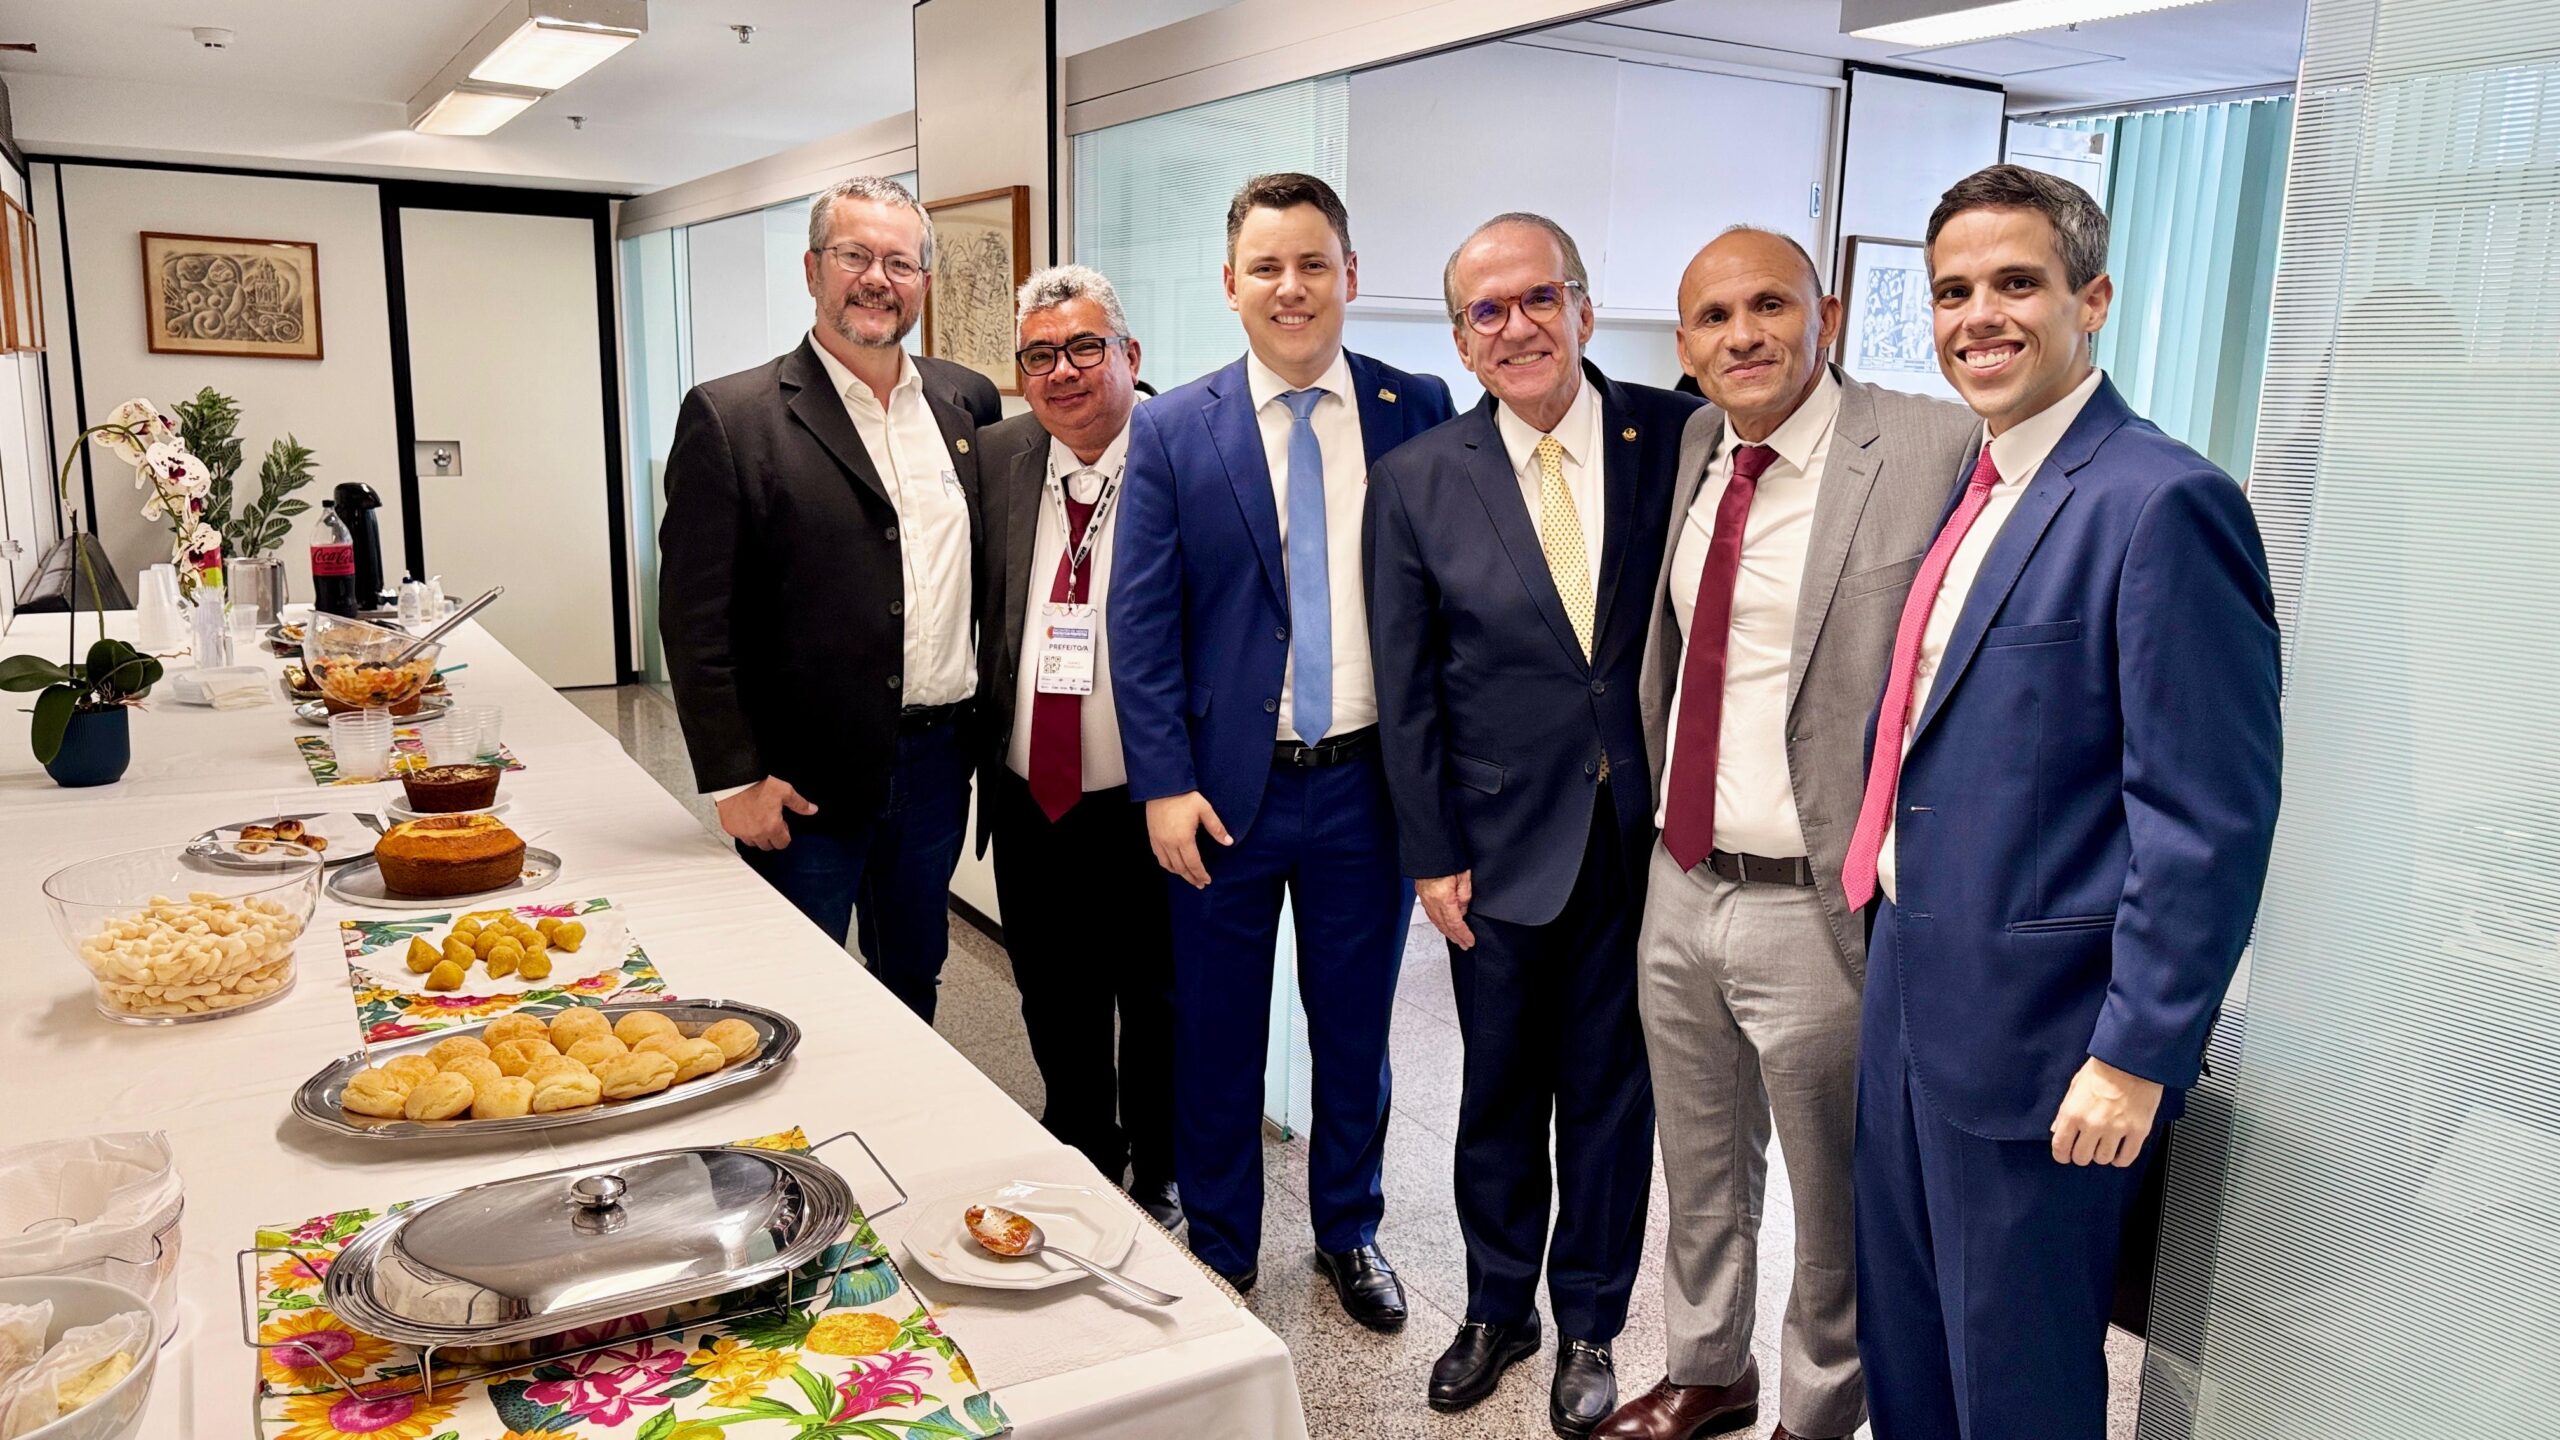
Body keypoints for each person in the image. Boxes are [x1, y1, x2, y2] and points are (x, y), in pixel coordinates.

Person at [1844, 164, 2281, 1440]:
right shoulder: (1980, 485)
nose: (1977, 316)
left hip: (2047, 1038)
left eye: (2015, 284)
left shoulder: (2163, 502)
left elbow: (2204, 819)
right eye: (1952, 292)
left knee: (2016, 1380)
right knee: (1907, 1347)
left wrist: (2138, 1055)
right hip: (1910, 983)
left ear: (2091, 300)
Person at [1594, 228, 1977, 1440]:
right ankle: (1707, 1367)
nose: (1742, 335)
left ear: (1828, 314)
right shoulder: (1696, 445)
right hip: (1680, 879)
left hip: (1818, 896)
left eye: (1769, 305)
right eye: (1712, 317)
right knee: (1700, 1164)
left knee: (1833, 1192)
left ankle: (1815, 1410)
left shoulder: (1929, 445)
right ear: (1684, 342)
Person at [1364, 212, 1692, 1437]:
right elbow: (1406, 688)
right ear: (1460, 339)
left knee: (1613, 1092)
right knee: (1498, 1089)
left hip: (1645, 842)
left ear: (1584, 308)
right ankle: (1497, 1307)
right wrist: (1429, 853)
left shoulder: (1677, 435)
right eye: (1486, 311)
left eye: (1539, 299)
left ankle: (1591, 1321)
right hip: (1495, 846)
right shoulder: (1417, 479)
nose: (1516, 327)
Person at [1109, 172, 1455, 1321]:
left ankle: (1349, 1231)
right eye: (1266, 267)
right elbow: (1140, 623)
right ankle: (1223, 1242)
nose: (1290, 287)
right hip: (1221, 796)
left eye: (1312, 263)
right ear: (1231, 284)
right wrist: (1162, 783)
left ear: (1350, 275)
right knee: (1216, 1035)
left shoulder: (1416, 407)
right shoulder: (1171, 426)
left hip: (1366, 789)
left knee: (1354, 1034)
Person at [658, 175, 1001, 1021]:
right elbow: (695, 621)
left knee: (912, 976)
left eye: (900, 262)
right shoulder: (732, 416)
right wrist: (734, 780)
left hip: (936, 764)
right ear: (813, 270)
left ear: (924, 281)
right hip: (799, 779)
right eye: (855, 256)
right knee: (790, 993)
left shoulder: (966, 402)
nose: (877, 279)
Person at [968, 263, 1180, 1230]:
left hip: (1151, 797)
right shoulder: (996, 458)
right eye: (1040, 355)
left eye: (1085, 348)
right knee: (1052, 990)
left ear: (1129, 354)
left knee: (1158, 995)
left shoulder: (1184, 452)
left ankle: (1161, 1168)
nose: (1063, 371)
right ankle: (1083, 1142)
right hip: (1030, 794)